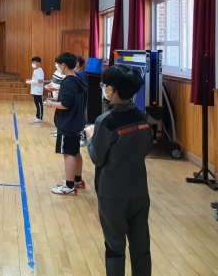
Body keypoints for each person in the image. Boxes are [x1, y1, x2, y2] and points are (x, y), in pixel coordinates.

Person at [85, 64, 151, 276]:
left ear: (111, 89)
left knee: (114, 246)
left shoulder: (105, 121)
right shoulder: (142, 117)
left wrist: (90, 137)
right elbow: (145, 149)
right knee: (141, 245)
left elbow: (97, 157)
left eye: (104, 85)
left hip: (112, 193)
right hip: (139, 190)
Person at [44, 52, 87, 195]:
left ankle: (69, 186)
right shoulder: (78, 79)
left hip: (68, 123)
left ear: (63, 65)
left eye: (58, 64)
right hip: (77, 121)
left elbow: (65, 104)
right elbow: (71, 99)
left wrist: (51, 104)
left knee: (68, 153)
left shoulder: (68, 81)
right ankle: (77, 180)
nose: (57, 67)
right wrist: (56, 97)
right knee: (75, 151)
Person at [45, 60, 66, 137]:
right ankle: (58, 129)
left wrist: (55, 89)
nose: (56, 65)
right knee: (57, 113)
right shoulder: (56, 72)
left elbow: (63, 86)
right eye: (55, 63)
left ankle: (61, 130)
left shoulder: (64, 75)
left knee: (62, 113)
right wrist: (49, 85)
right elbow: (53, 81)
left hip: (59, 94)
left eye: (57, 63)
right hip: (54, 94)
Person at [26, 56, 44, 123]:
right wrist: (30, 80)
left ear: (38, 63)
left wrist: (30, 82)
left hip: (38, 90)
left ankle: (40, 117)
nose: (33, 63)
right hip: (34, 89)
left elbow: (40, 81)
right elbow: (35, 79)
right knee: (36, 103)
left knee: (39, 103)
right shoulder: (35, 70)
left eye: (34, 62)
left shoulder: (40, 71)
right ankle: (37, 116)